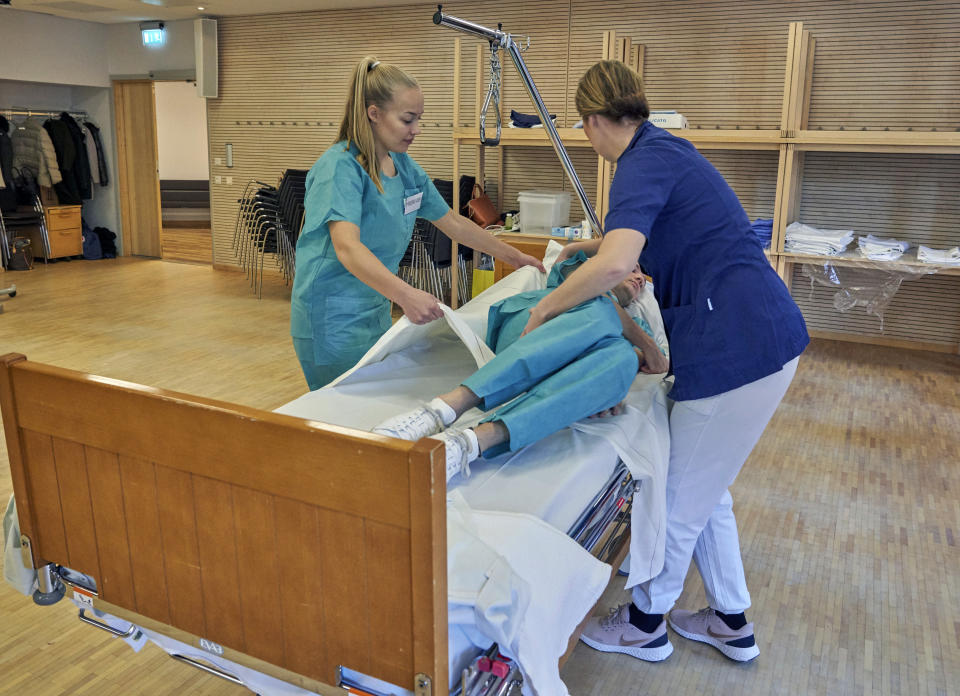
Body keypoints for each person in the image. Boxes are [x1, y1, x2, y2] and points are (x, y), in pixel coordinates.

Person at [520, 61, 809, 663]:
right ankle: (731, 619)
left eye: (583, 127)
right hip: (760, 334)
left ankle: (647, 622)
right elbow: (648, 233)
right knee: (708, 488)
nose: (587, 138)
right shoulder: (665, 150)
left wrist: (545, 308)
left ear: (594, 120)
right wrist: (588, 245)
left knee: (676, 498)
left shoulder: (638, 164)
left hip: (739, 348)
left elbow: (621, 265)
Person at [291, 56, 544, 390]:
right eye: (408, 119)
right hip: (331, 316)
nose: (417, 130)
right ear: (374, 113)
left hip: (375, 306)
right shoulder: (340, 168)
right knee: (340, 411)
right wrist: (407, 294)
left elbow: (454, 223)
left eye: (419, 119)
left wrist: (514, 257)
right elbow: (347, 248)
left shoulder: (403, 167)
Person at [371, 253, 668, 481]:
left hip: (575, 365)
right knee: (602, 311)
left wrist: (607, 387)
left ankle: (470, 442)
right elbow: (579, 256)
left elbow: (644, 360)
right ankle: (443, 409)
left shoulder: (637, 325)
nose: (639, 277)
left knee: (623, 359)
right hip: (532, 327)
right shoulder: (571, 279)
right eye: (633, 268)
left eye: (643, 277)